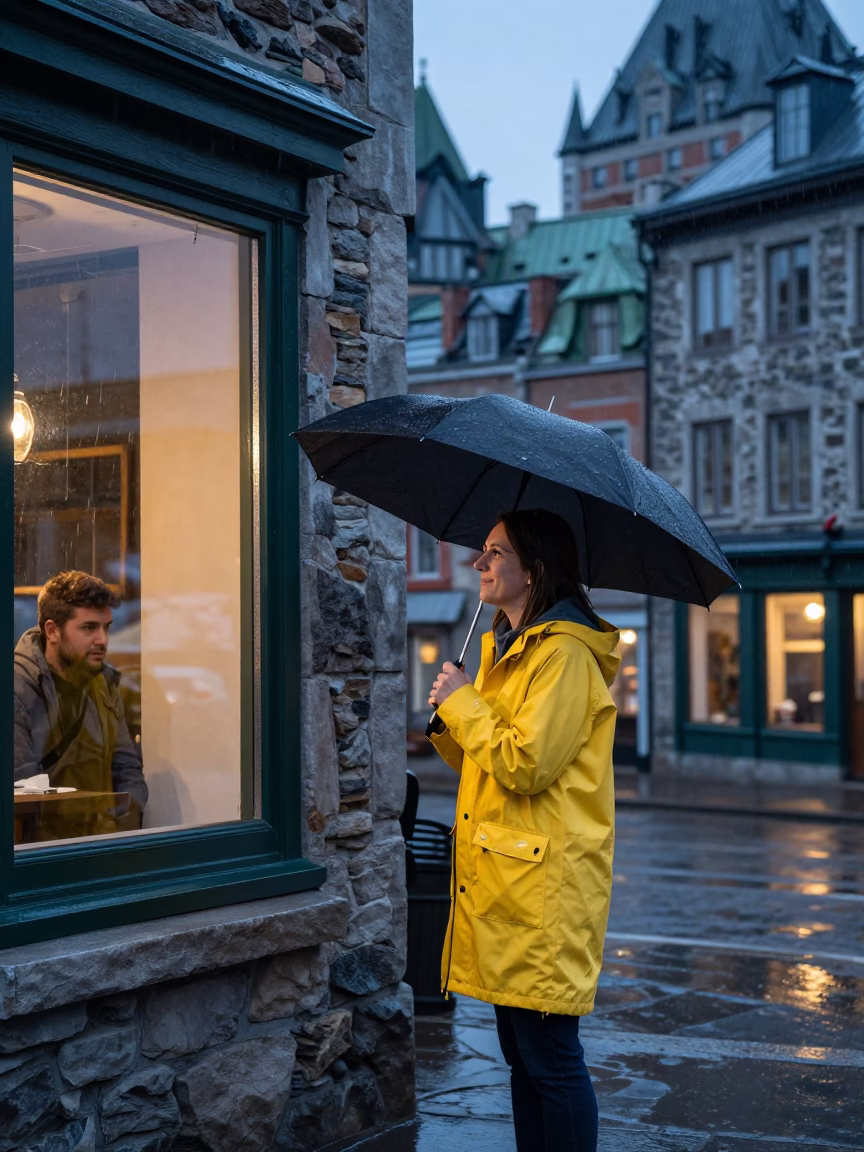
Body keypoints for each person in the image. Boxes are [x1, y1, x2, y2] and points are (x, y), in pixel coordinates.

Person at [427, 508, 620, 1152]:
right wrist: (451, 716)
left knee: (551, 1059)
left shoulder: (562, 656)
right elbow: (483, 759)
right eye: (482, 552)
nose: (479, 564)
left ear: (533, 570)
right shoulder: (509, 650)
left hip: (543, 892)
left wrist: (463, 703)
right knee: (522, 1055)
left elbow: (526, 763)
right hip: (509, 884)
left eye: (494, 552)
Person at [14, 571, 147, 839]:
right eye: (89, 628)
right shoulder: (17, 687)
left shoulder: (104, 684)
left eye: (107, 627)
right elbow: (22, 792)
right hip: (43, 860)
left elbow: (126, 769)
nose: (102, 640)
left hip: (99, 848)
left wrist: (118, 833)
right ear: (52, 630)